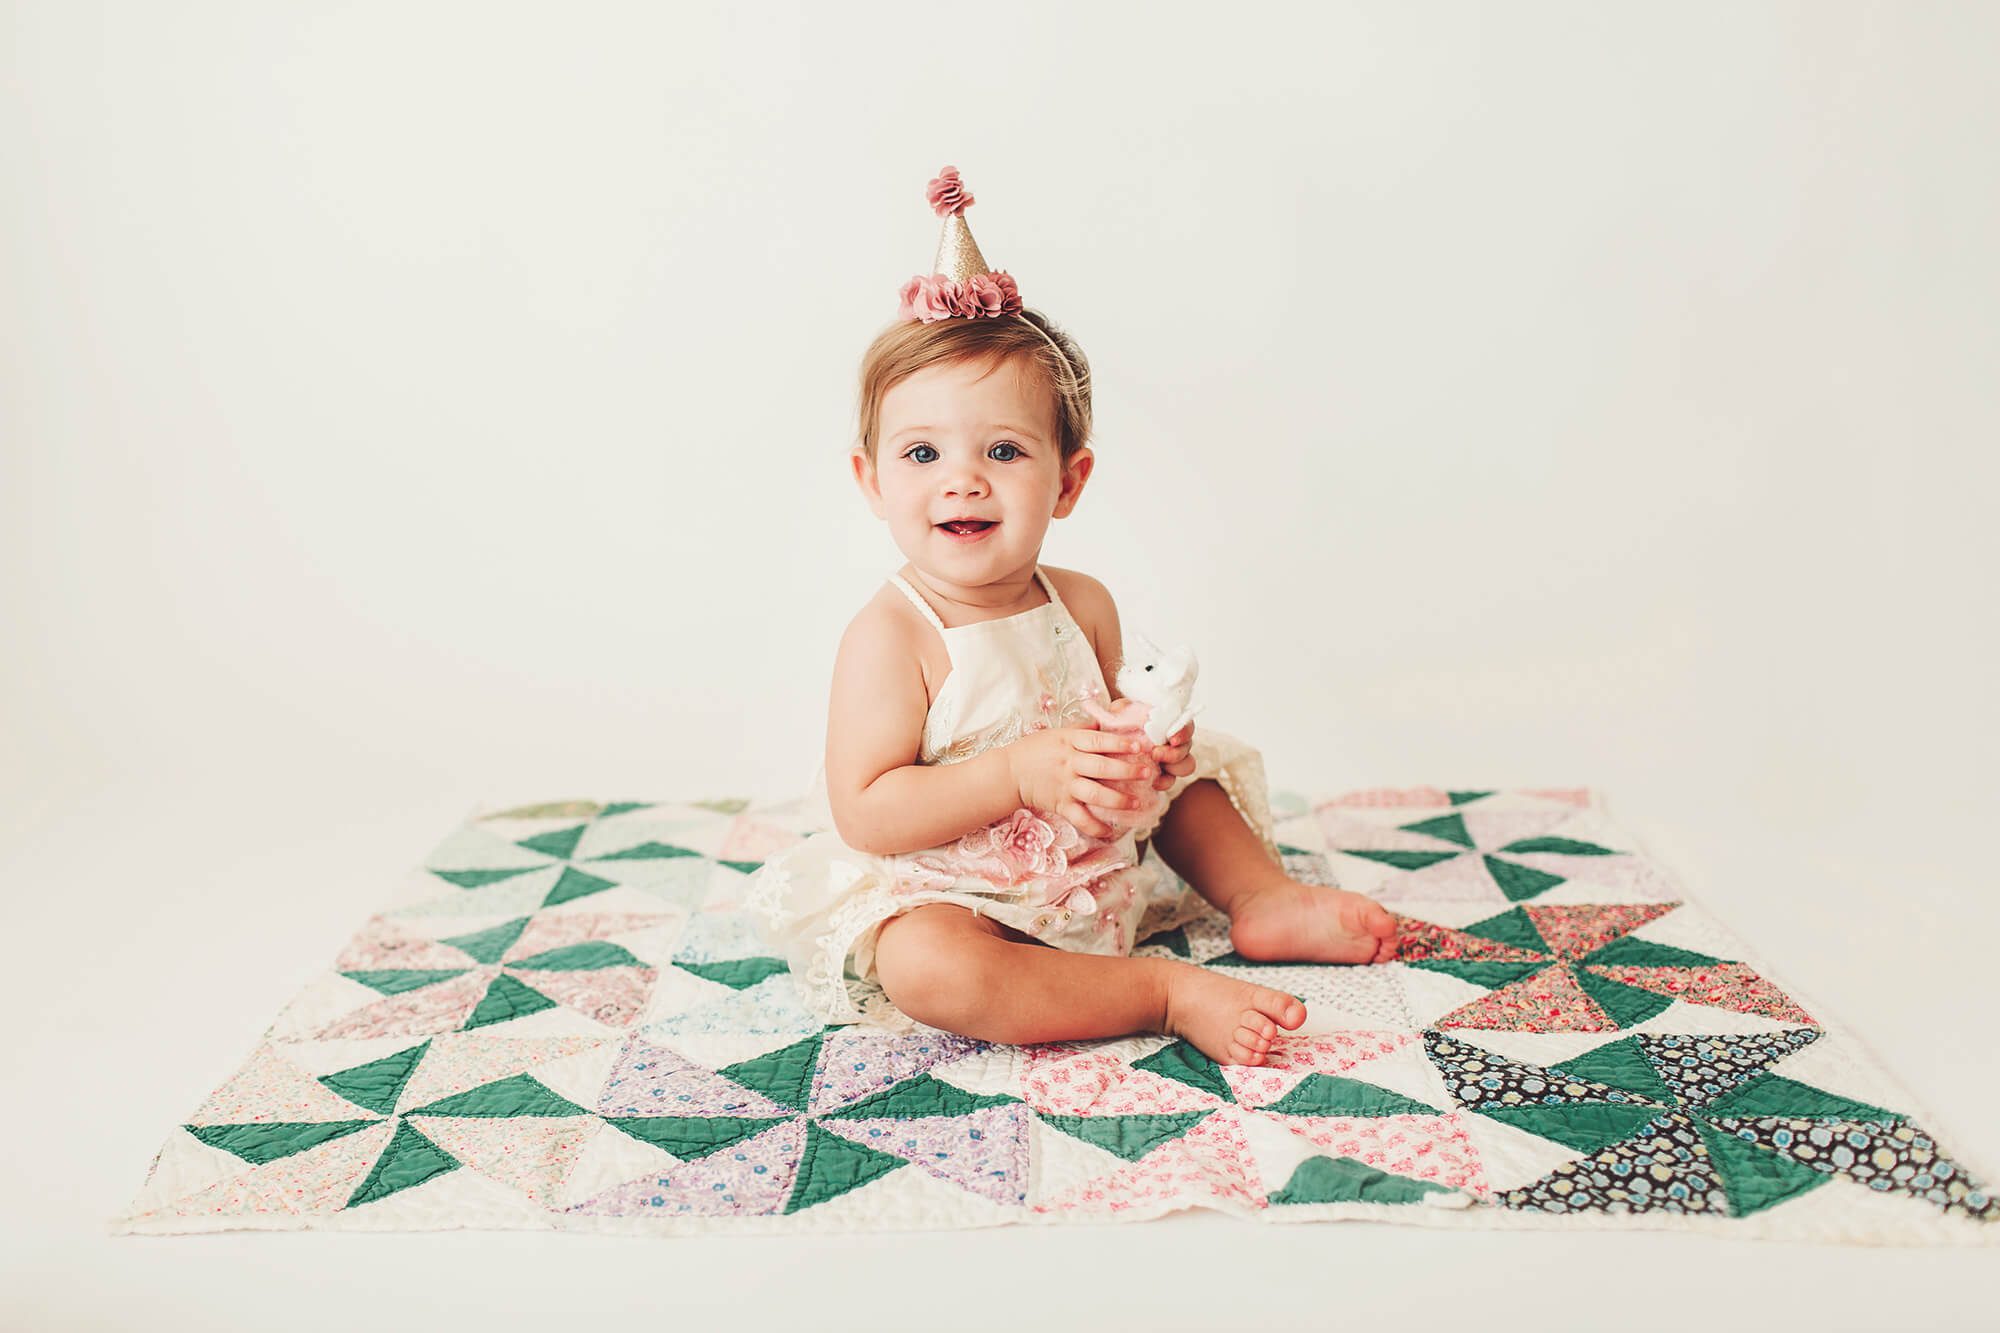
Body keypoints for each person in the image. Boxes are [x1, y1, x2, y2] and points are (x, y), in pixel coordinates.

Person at [748, 166, 1398, 1066]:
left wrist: (1143, 755)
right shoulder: (892, 635)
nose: (962, 479)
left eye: (1005, 450)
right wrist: (1014, 774)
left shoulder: (1082, 602)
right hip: (956, 886)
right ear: (872, 480)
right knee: (927, 965)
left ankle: (1263, 897)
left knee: (1194, 785)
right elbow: (868, 811)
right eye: (923, 451)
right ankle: (1161, 991)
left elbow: (1104, 738)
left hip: (1085, 863)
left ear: (1069, 480)